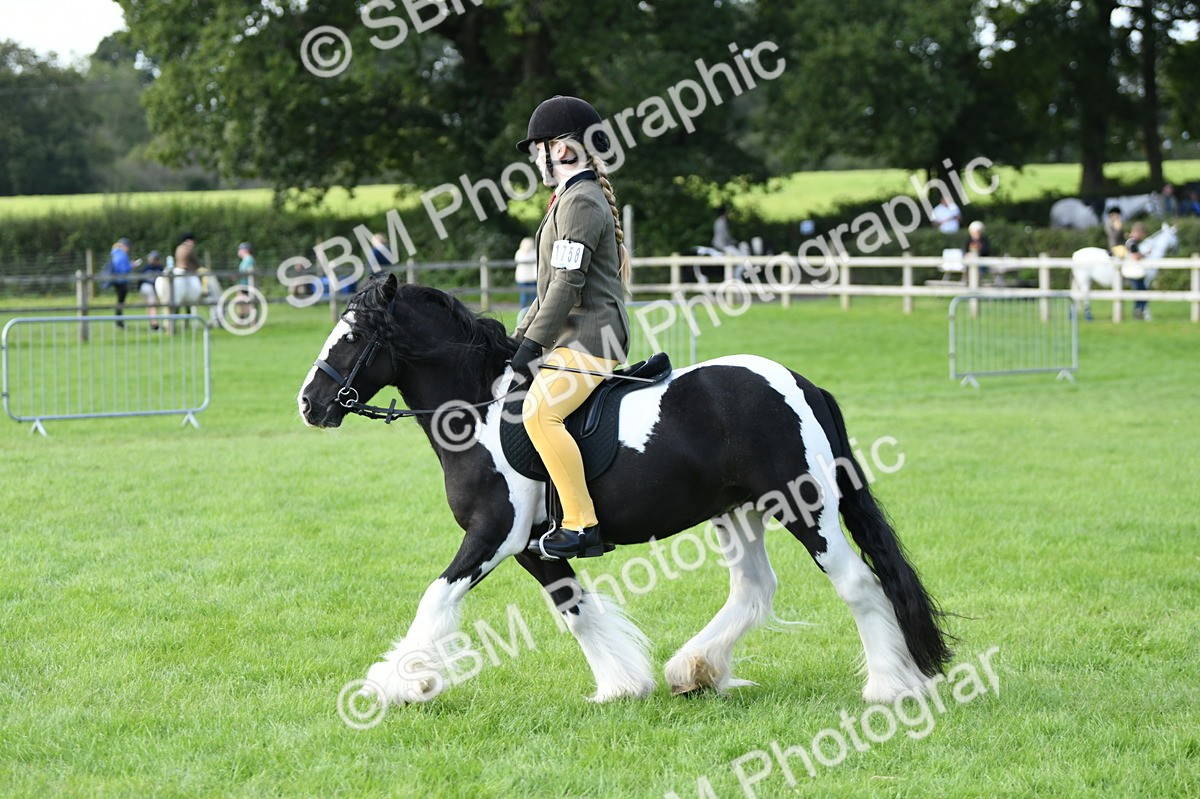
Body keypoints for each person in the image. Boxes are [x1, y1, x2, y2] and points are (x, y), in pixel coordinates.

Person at [512, 95, 631, 561]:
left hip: (592, 339)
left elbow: (566, 285)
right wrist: (519, 340)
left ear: (560, 149)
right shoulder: (568, 198)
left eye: (536, 147)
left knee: (541, 413)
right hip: (573, 335)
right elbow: (545, 292)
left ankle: (582, 524)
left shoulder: (581, 201)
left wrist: (534, 344)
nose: (533, 157)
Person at [1124, 222, 1151, 320]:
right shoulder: (1132, 242)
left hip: (1135, 271)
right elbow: (1135, 257)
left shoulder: (1131, 242)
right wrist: (1145, 254)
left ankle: (1139, 312)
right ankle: (1138, 312)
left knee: (1141, 293)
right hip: (1133, 272)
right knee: (1141, 293)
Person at [109, 237, 133, 326]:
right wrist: (131, 266)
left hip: (116, 281)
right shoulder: (123, 255)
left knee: (119, 302)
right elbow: (124, 270)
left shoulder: (115, 253)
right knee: (120, 302)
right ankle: (119, 322)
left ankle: (119, 321)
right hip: (121, 281)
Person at [138, 250, 165, 330]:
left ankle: (151, 324)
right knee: (153, 305)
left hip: (144, 287)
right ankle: (155, 326)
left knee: (149, 306)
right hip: (149, 287)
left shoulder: (146, 267)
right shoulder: (159, 268)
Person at [514, 236, 537, 310]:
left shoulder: (519, 253)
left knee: (524, 295)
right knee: (532, 296)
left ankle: (524, 309)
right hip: (532, 277)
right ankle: (532, 309)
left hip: (522, 278)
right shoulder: (534, 253)